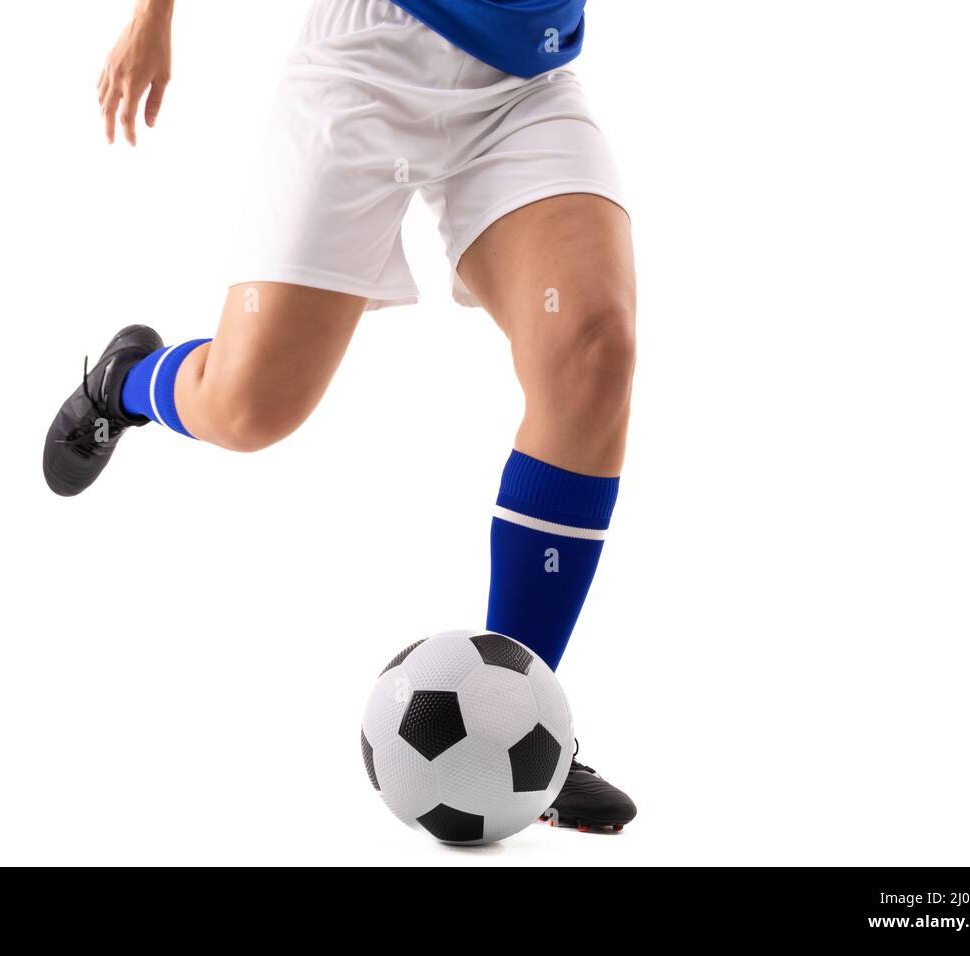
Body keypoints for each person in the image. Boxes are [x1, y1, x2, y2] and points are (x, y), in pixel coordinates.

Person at [45, 0, 638, 832]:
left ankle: (520, 719)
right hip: (370, 58)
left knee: (592, 350)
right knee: (248, 407)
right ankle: (127, 381)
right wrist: (154, 16)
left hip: (524, 83)